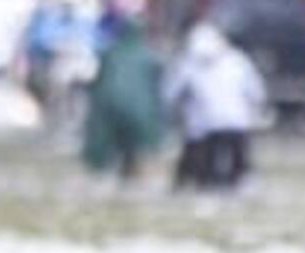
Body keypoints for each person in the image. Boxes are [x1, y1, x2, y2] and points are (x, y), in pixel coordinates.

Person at [165, 21, 266, 191]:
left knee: (215, 166)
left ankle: (227, 178)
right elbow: (256, 91)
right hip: (227, 124)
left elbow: (170, 93)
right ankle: (232, 178)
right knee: (219, 168)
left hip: (214, 126)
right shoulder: (237, 60)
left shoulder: (193, 64)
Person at [80, 10, 165, 181]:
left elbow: (97, 82)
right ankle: (129, 174)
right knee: (133, 150)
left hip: (111, 110)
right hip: (138, 112)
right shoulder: (149, 56)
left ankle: (116, 173)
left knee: (114, 148)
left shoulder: (110, 53)